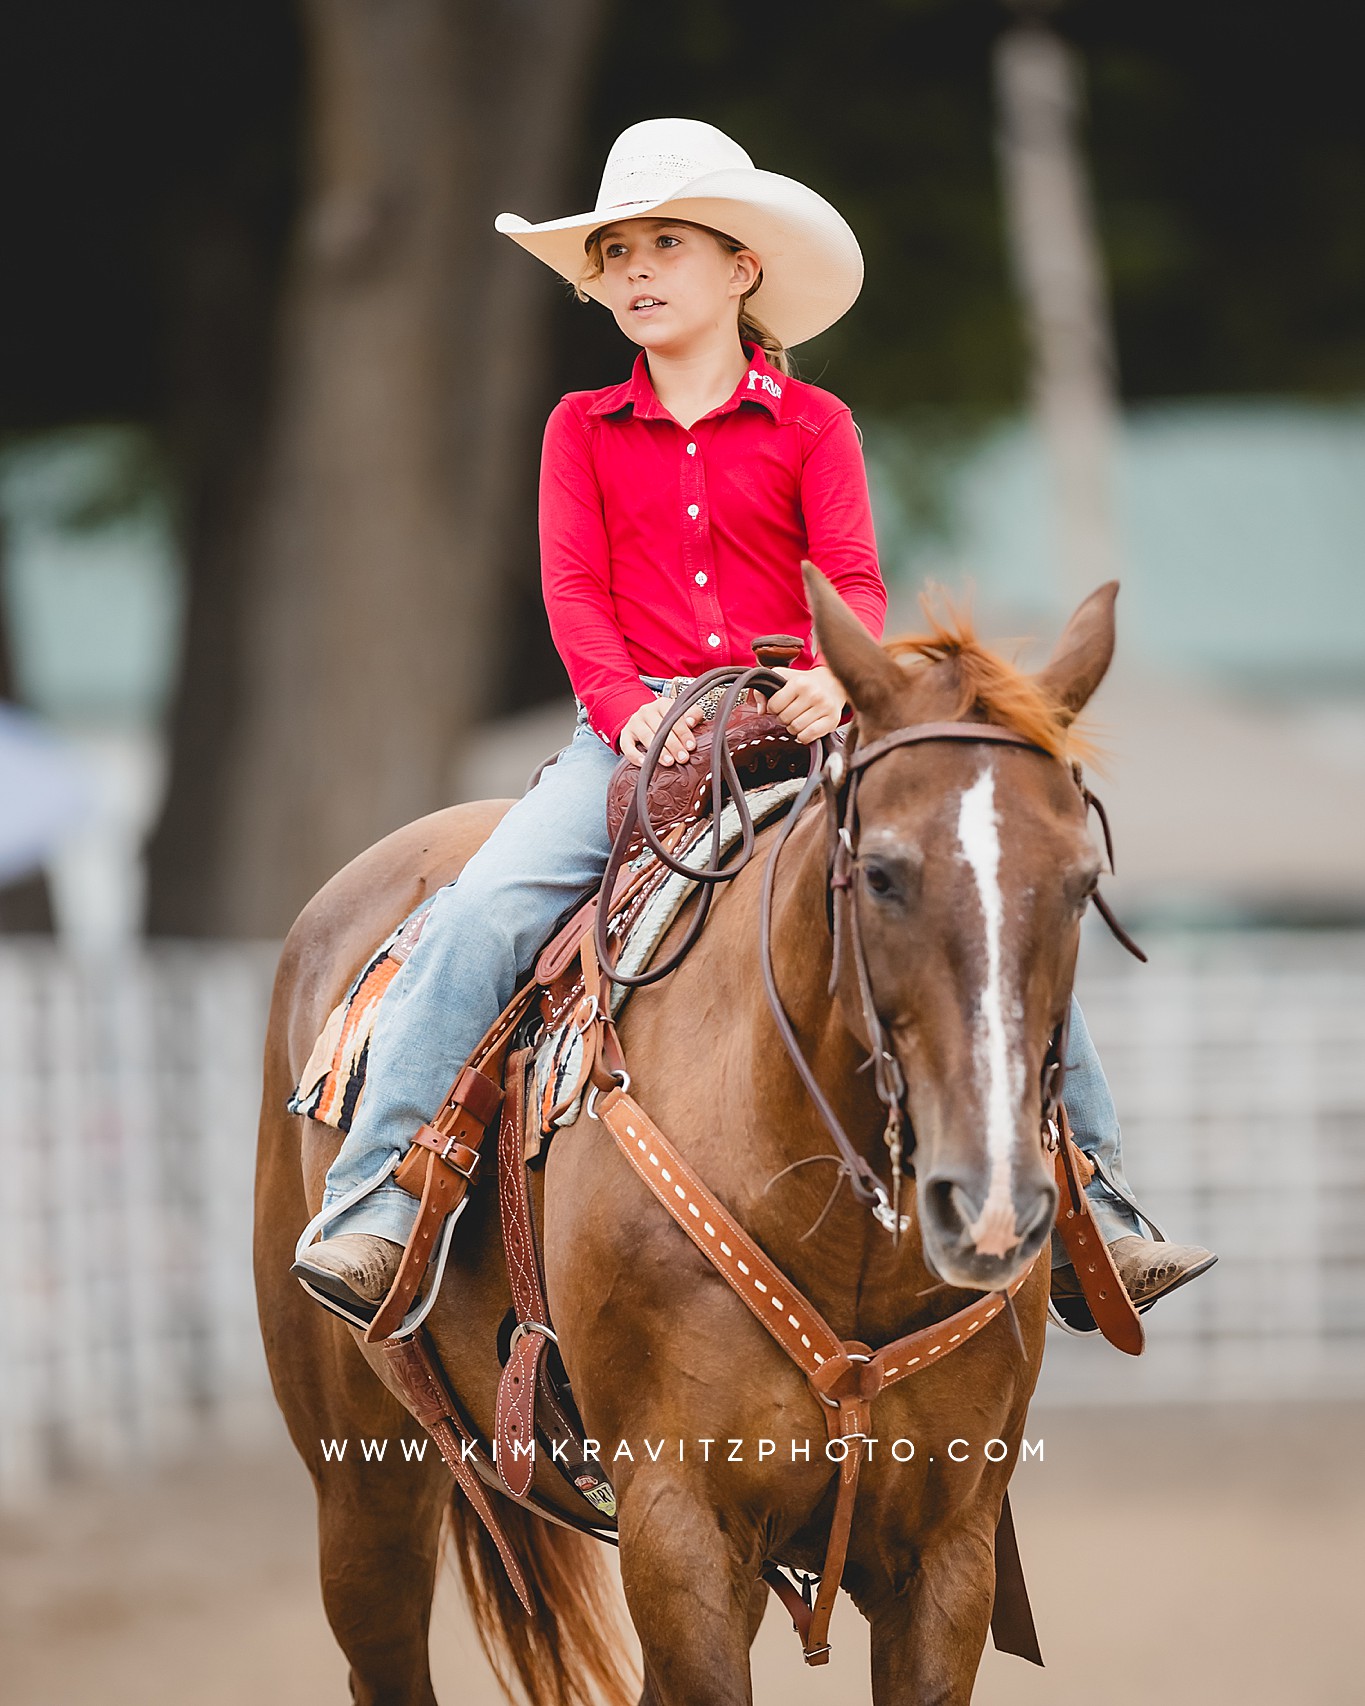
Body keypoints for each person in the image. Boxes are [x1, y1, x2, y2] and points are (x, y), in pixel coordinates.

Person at [295, 118, 1213, 1320]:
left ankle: (1096, 1198)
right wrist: (628, 715)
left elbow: (855, 577)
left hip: (803, 726)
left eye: (663, 243)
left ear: (740, 268)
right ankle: (382, 1196)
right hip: (632, 735)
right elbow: (573, 592)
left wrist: (843, 679)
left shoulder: (815, 424)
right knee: (483, 912)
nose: (632, 269)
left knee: (975, 912)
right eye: (614, 251)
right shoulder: (578, 427)